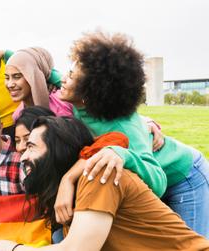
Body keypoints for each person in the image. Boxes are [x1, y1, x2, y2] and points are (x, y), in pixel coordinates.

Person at [57, 31, 209, 237]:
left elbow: (157, 179)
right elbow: (47, 73)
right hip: (161, 176)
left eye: (71, 76)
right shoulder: (77, 101)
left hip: (185, 178)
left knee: (191, 243)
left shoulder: (124, 127)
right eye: (68, 72)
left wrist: (122, 154)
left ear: (91, 89)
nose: (63, 79)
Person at [0, 116, 209, 251]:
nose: (22, 156)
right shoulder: (69, 189)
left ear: (57, 152)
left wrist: (15, 248)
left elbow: (78, 249)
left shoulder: (98, 176)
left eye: (31, 147)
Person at [5, 47, 72, 120]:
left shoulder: (63, 101)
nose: (10, 84)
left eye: (17, 77)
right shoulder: (18, 116)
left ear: (34, 75)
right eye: (7, 78)